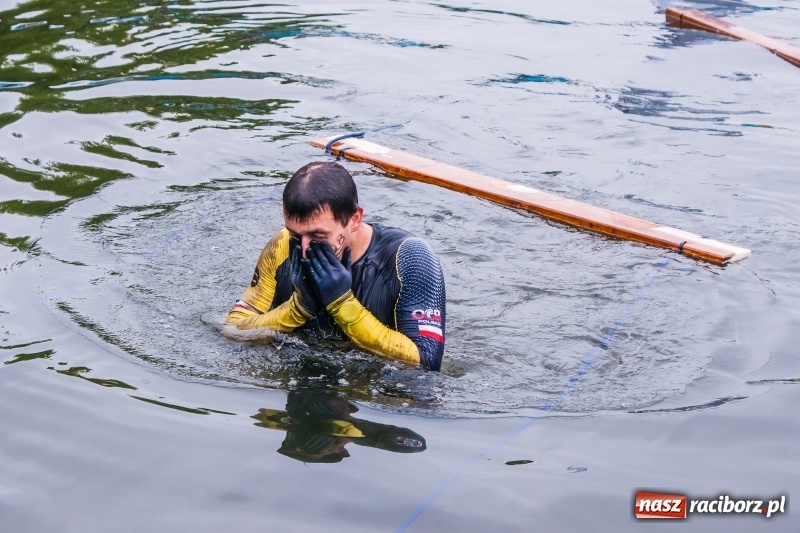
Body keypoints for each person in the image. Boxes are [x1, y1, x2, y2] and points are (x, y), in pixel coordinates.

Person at [222, 161, 446, 371]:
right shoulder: (282, 244)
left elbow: (426, 360)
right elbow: (232, 329)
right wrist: (298, 308)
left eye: (318, 235)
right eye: (295, 234)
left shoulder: (411, 258)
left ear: (355, 219)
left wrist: (341, 303)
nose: (304, 248)